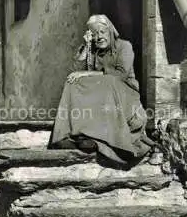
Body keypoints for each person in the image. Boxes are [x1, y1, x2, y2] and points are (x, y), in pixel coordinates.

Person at [50, 14, 152, 165]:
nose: (99, 37)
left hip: (125, 94)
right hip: (105, 93)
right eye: (94, 34)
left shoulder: (125, 46)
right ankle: (66, 136)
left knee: (108, 81)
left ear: (110, 31)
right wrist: (86, 49)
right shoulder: (93, 51)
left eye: (102, 32)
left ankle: (102, 139)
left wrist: (89, 73)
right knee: (73, 82)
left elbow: (121, 75)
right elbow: (76, 72)